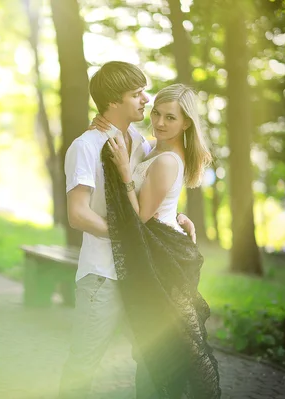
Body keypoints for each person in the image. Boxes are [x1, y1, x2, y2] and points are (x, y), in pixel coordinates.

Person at [59, 61, 196, 399]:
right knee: (84, 361)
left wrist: (175, 218)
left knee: (151, 361)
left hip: (141, 273)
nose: (145, 100)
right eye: (136, 94)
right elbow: (77, 215)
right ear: (113, 102)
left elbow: (154, 187)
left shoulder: (137, 141)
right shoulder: (86, 147)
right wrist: (128, 236)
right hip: (103, 275)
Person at [103, 84, 221, 398]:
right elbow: (159, 203)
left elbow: (140, 216)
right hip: (161, 250)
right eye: (156, 112)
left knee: (174, 347)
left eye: (170, 117)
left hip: (166, 260)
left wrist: (125, 172)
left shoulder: (167, 159)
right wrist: (178, 215)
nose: (159, 121)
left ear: (186, 123)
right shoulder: (158, 149)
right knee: (160, 346)